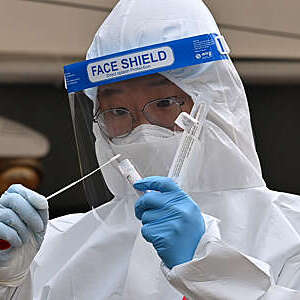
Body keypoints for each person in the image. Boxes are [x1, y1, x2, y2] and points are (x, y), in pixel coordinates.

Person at [1, 0, 300, 299]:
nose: (142, 129)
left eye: (164, 104)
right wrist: (8, 283)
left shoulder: (290, 233)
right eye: (117, 111)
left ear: (213, 102)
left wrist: (210, 271)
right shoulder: (55, 247)